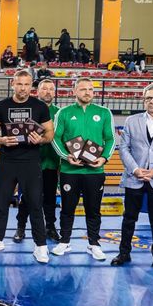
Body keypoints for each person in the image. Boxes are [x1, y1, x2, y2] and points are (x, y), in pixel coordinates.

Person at [0, 70, 54, 263]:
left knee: (35, 204)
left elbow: (50, 133)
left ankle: (41, 246)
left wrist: (40, 139)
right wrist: (2, 140)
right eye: (19, 84)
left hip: (31, 162)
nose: (23, 88)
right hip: (7, 161)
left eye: (26, 84)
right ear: (12, 84)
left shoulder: (40, 106)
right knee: (1, 202)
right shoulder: (1, 106)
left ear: (31, 86)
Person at [51, 77, 116, 260]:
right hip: (69, 171)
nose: (87, 92)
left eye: (90, 89)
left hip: (95, 172)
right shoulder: (64, 112)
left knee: (93, 209)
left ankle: (94, 243)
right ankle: (64, 241)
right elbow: (55, 138)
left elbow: (110, 139)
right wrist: (66, 156)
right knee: (67, 208)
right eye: (83, 89)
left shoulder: (104, 112)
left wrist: (104, 158)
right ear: (74, 91)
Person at [111, 83, 153, 273]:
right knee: (128, 219)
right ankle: (124, 253)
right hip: (135, 177)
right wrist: (135, 169)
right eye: (149, 98)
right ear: (143, 100)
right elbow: (124, 148)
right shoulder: (132, 120)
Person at [14, 79, 60, 243]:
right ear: (37, 91)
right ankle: (20, 227)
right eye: (44, 89)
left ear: (54, 92)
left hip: (51, 162)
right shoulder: (28, 109)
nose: (48, 92)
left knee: (50, 198)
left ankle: (50, 228)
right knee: (26, 197)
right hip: (29, 162)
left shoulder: (60, 113)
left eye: (51, 89)